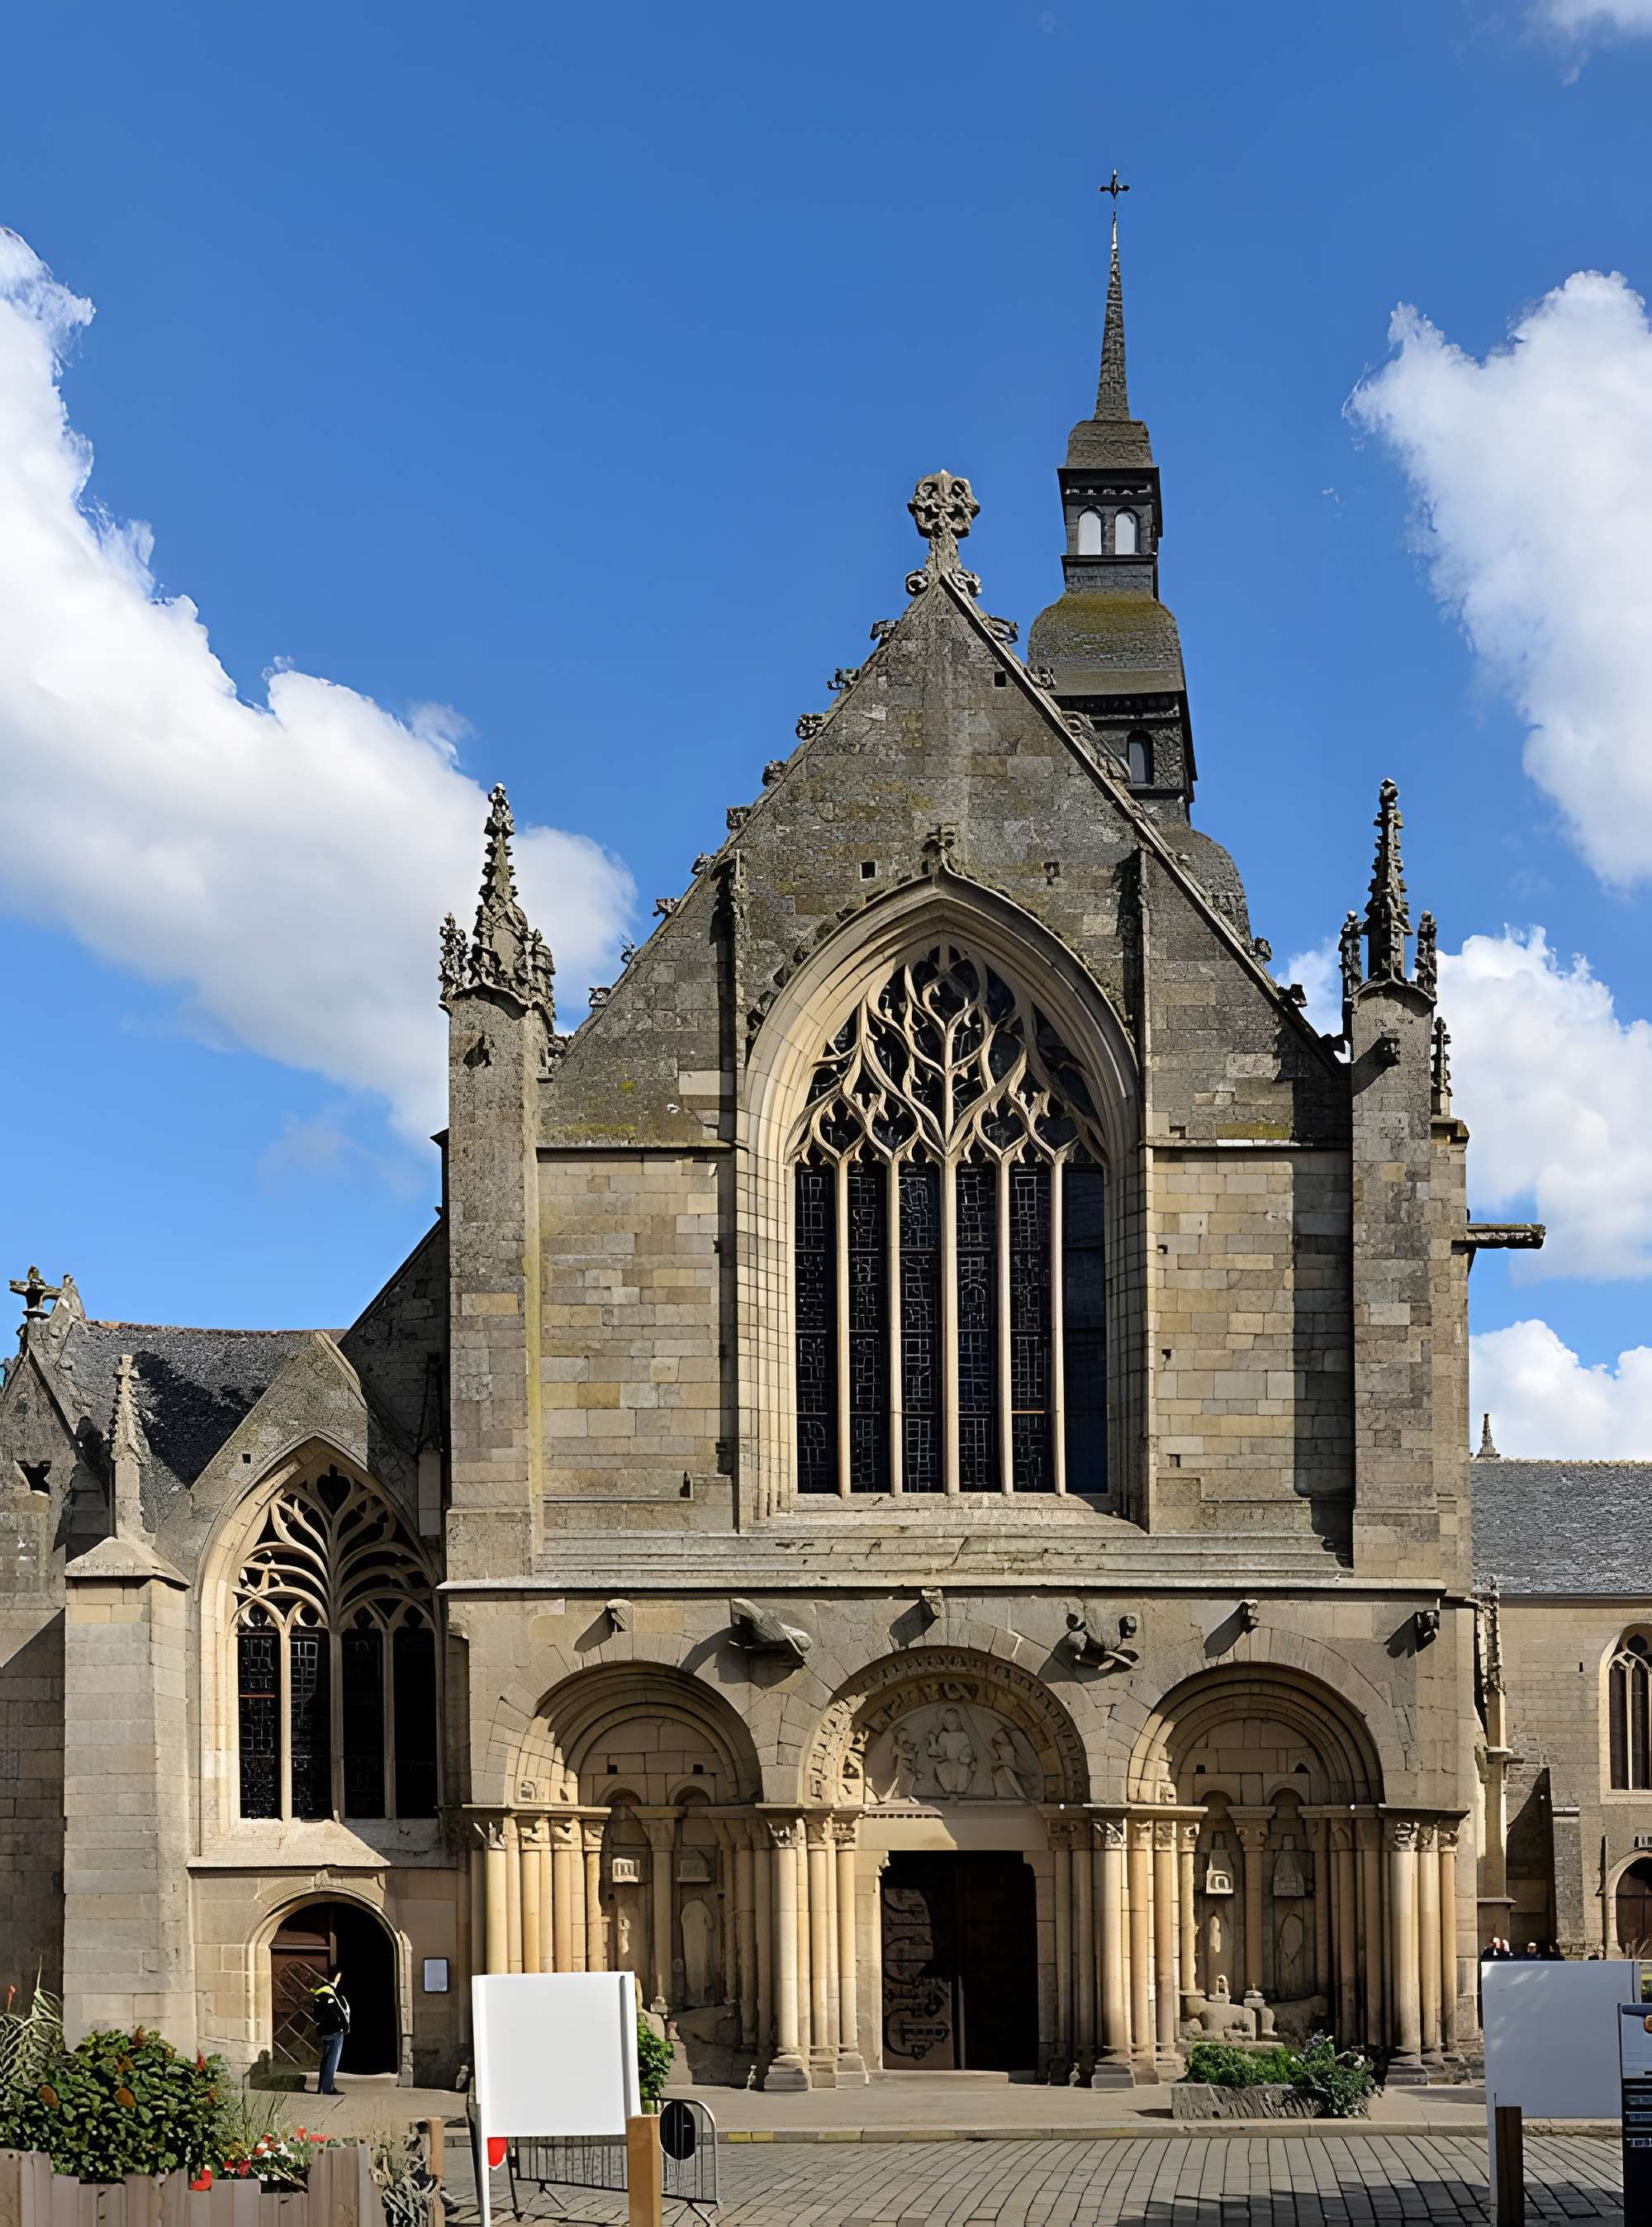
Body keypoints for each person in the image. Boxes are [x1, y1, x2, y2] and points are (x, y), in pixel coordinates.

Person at [311, 1968, 350, 2096]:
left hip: (324, 2030)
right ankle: (327, 2088)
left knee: (326, 2059)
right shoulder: (328, 1993)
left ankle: (322, 2087)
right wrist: (345, 2026)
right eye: (339, 1977)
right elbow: (338, 2010)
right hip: (334, 2030)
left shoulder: (320, 1992)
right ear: (336, 1977)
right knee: (332, 2061)